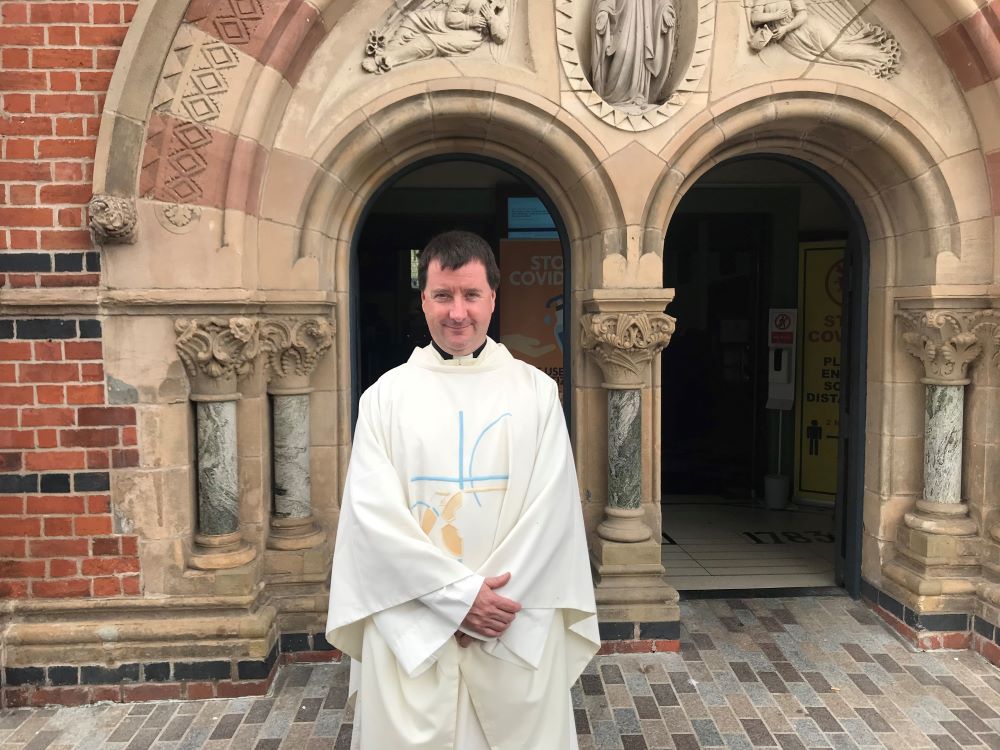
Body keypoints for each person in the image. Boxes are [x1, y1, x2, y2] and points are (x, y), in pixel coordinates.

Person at [325, 230, 599, 749]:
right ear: (423, 300)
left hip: (511, 624)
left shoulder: (536, 393)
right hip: (414, 627)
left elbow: (553, 514)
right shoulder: (385, 397)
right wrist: (455, 602)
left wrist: (484, 609)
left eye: (471, 295)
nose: (458, 312)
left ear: (493, 298)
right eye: (444, 296)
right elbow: (371, 520)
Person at [748, 0, 901, 79]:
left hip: (807, 28)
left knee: (838, 50)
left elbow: (802, 14)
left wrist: (786, 28)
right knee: (835, 56)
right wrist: (776, 17)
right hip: (788, 40)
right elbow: (755, 18)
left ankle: (882, 56)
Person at [591, 0, 677, 112]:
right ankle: (613, 96)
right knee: (623, 51)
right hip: (623, 20)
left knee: (640, 56)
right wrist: (603, 11)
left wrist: (665, 10)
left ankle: (638, 95)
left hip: (644, 23)